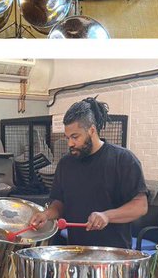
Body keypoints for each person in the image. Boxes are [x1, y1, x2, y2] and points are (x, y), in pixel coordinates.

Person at [27, 98, 148, 248]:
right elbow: (59, 203)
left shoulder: (123, 160)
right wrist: (46, 214)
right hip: (76, 251)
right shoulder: (65, 164)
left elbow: (140, 206)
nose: (70, 143)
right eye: (67, 137)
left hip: (113, 255)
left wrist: (106, 216)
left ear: (92, 130)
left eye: (75, 137)